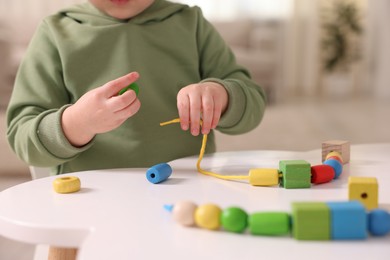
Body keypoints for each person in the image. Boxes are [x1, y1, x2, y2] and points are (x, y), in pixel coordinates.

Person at [6, 0, 267, 175]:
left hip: (185, 190)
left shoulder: (191, 24)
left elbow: (252, 103)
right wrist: (76, 124)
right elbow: (22, 137)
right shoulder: (55, 32)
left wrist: (220, 95)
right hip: (90, 199)